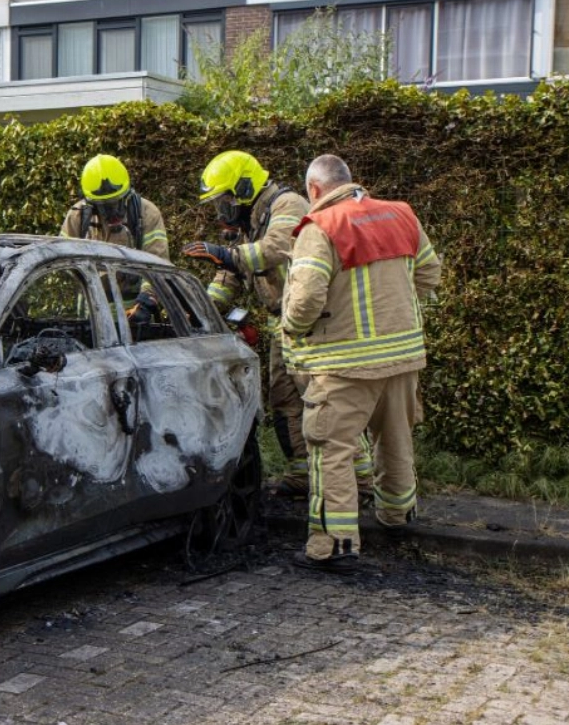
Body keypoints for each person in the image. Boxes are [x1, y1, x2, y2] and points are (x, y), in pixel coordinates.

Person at [280, 154, 442, 574]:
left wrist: (293, 329)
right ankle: (397, 518)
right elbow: (430, 274)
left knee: (331, 450)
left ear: (314, 190)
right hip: (403, 358)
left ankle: (334, 545)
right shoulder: (402, 215)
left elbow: (306, 301)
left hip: (343, 365)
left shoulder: (320, 228)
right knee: (396, 439)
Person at [184, 150, 317, 491]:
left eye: (223, 199)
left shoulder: (287, 205)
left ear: (244, 188)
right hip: (283, 324)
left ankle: (346, 477)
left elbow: (275, 247)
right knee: (284, 399)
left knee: (320, 399)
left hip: (312, 323)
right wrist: (201, 311)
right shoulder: (249, 223)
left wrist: (228, 253)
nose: (221, 210)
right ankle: (302, 473)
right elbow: (230, 276)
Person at [60, 154, 169, 320]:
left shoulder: (146, 214)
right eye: (103, 206)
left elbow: (157, 265)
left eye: (116, 202)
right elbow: (61, 260)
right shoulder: (78, 216)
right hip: (91, 314)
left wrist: (146, 302)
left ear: (128, 192)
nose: (112, 212)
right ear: (90, 202)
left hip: (134, 313)